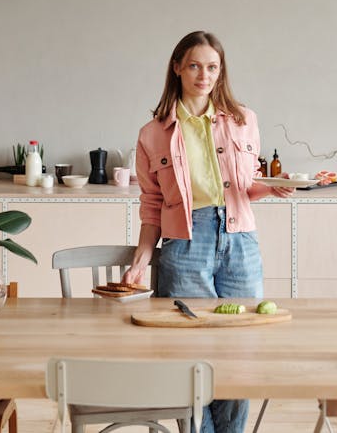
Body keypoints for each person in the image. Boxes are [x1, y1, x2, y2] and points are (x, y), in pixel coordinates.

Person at [123, 30, 294, 433]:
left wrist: (271, 187)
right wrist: (140, 261)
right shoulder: (152, 133)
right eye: (196, 65)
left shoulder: (243, 120)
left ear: (221, 71)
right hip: (184, 244)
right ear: (178, 67)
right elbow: (150, 205)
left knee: (240, 349)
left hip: (240, 241)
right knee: (190, 353)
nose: (204, 75)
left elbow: (246, 184)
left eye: (213, 67)